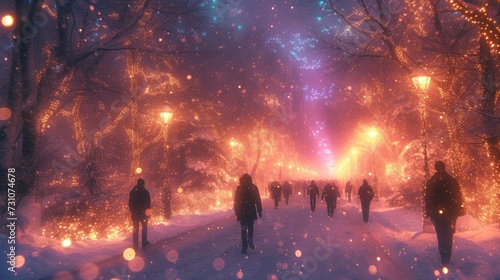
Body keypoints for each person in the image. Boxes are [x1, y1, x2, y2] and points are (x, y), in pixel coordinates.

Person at [425, 161, 466, 266]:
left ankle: (443, 255)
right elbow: (458, 196)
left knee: (441, 234)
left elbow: (428, 198)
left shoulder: (431, 181)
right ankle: (447, 255)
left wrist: (429, 212)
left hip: (438, 213)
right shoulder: (452, 180)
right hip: (451, 212)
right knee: (448, 233)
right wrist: (459, 210)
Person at [234, 173, 263, 254]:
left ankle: (244, 246)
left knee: (243, 229)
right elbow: (258, 200)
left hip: (242, 211)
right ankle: (250, 238)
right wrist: (259, 210)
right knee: (250, 226)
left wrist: (236, 211)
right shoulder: (253, 187)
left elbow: (236, 200)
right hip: (251, 210)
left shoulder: (239, 188)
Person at [129, 178, 151, 250]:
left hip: (135, 214)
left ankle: (135, 245)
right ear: (143, 184)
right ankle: (144, 243)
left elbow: (130, 204)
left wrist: (132, 212)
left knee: (135, 229)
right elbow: (148, 204)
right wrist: (148, 214)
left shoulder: (133, 192)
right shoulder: (145, 192)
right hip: (143, 214)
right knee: (144, 228)